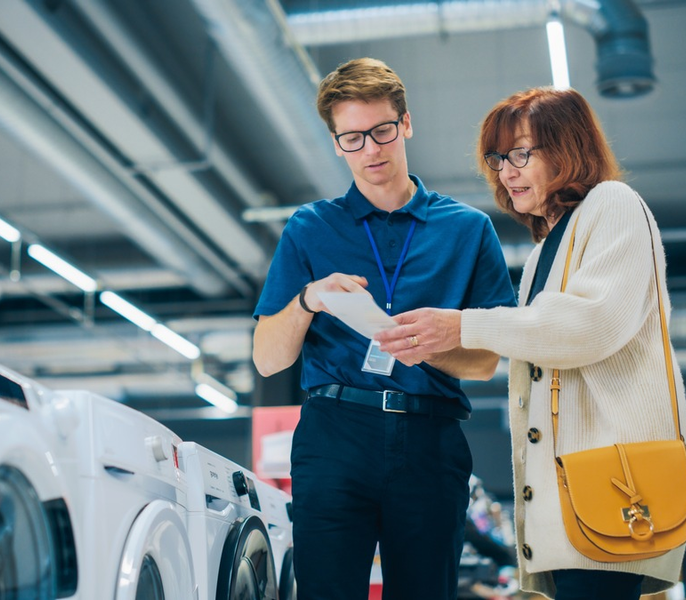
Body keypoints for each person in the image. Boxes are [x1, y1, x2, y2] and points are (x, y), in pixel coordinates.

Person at [374, 87, 686, 600]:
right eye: (498, 158)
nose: (506, 171)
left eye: (521, 154)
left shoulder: (614, 204)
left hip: (613, 490)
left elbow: (591, 325)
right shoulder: (546, 247)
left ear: (568, 150)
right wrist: (432, 343)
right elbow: (540, 341)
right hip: (574, 506)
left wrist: (462, 325)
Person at [252, 57, 516, 600]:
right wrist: (309, 298)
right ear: (335, 143)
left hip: (430, 437)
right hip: (334, 434)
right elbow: (267, 359)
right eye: (352, 138)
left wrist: (430, 347)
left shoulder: (468, 230)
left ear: (406, 124)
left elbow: (486, 362)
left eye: (381, 131)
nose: (370, 150)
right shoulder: (310, 227)